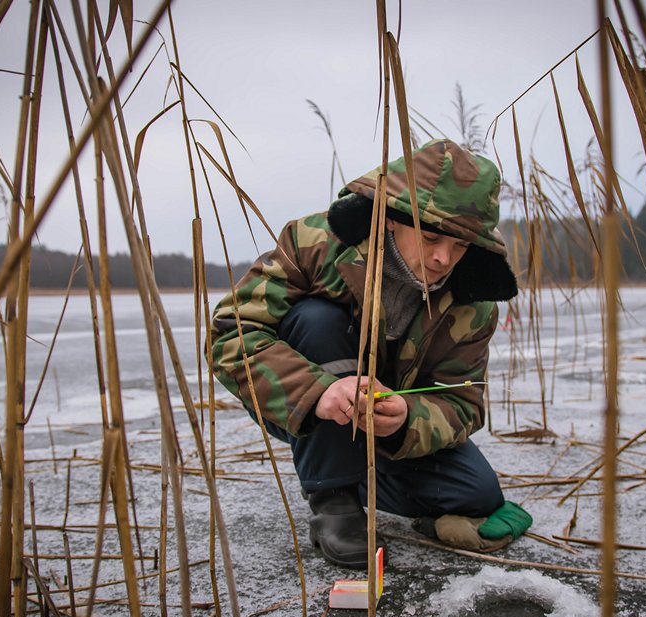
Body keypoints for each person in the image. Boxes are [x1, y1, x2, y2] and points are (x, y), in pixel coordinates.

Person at [209, 139, 532, 568]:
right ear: (393, 218)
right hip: (306, 401)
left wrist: (406, 417)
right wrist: (318, 391)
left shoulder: (473, 303)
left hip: (386, 428)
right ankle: (334, 498)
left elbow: (463, 402)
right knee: (316, 318)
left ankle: (349, 466)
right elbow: (230, 333)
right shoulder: (315, 243)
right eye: (432, 236)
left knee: (477, 495)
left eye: (460, 246)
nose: (443, 258)